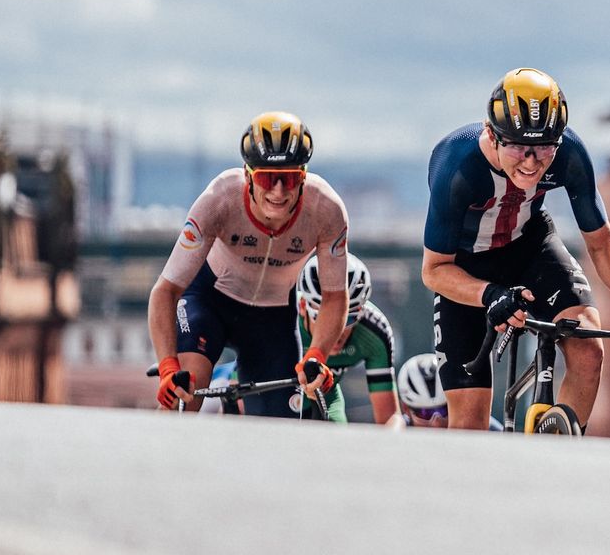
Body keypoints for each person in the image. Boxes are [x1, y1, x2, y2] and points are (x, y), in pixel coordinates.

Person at [421, 67, 610, 431]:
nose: (531, 162)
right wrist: (490, 294)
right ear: (491, 134)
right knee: (468, 423)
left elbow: (602, 242)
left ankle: (560, 445)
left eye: (544, 147)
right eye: (518, 147)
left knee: (589, 348)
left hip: (529, 245)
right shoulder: (457, 164)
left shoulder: (570, 153)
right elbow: (433, 270)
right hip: (465, 268)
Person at [147, 111, 350, 417]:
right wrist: (167, 367)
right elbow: (165, 291)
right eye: (268, 178)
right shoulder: (220, 199)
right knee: (184, 392)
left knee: (279, 428)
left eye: (290, 178)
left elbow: (335, 295)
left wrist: (317, 354)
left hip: (272, 321)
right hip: (208, 304)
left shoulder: (326, 209)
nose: (278, 190)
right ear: (247, 175)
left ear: (304, 177)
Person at [296, 253, 398, 424]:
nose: (338, 328)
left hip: (327, 399)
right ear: (302, 307)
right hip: (279, 396)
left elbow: (389, 418)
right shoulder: (283, 317)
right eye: (321, 316)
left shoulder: (374, 331)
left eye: (349, 318)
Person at [394, 353, 503, 430]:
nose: (436, 424)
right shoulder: (395, 432)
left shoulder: (483, 426)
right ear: (406, 409)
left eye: (444, 410)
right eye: (425, 414)